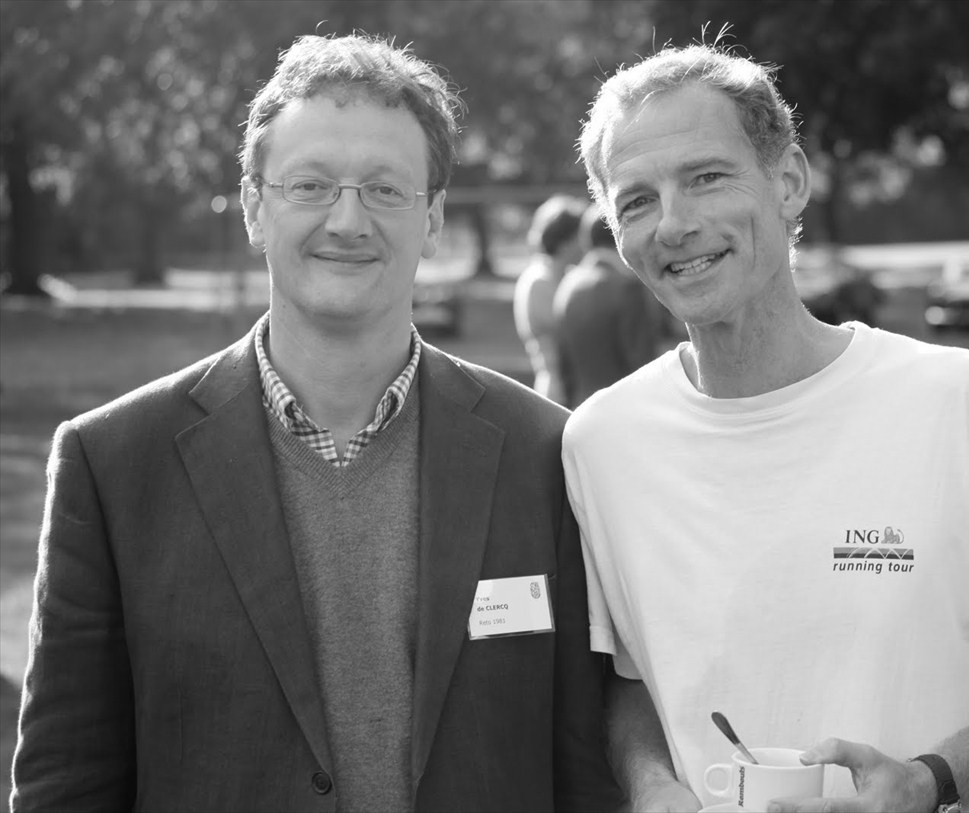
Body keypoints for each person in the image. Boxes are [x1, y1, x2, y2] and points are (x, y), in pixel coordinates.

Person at [10, 34, 620, 813]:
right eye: (310, 185)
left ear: (432, 218)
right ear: (253, 209)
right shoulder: (113, 464)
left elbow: (584, 771)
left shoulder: (546, 453)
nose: (347, 219)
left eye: (385, 189)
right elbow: (65, 785)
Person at [563, 43, 969, 813]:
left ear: (789, 181)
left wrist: (928, 781)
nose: (673, 223)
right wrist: (648, 783)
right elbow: (628, 675)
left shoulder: (954, 401)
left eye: (705, 177)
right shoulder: (601, 442)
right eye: (636, 201)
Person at [553, 207, 663, 407]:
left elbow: (563, 365)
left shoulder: (568, 285)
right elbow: (642, 363)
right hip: (624, 409)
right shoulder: (627, 287)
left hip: (580, 409)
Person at [514, 194, 587, 404]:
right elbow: (568, 331)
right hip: (558, 390)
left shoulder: (564, 276)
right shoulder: (539, 281)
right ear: (565, 242)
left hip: (574, 387)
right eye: (579, 236)